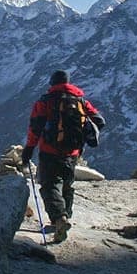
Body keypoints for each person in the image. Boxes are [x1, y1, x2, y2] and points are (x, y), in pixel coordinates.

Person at [20, 70, 105, 244]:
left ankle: (59, 219)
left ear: (52, 83)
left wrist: (29, 148)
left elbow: (35, 127)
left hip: (49, 151)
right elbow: (99, 120)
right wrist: (83, 137)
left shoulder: (45, 101)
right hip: (72, 152)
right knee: (67, 184)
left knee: (50, 185)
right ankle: (66, 216)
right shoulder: (80, 101)